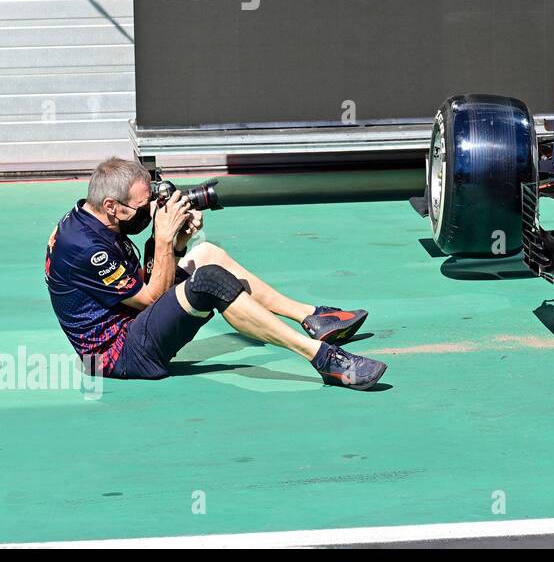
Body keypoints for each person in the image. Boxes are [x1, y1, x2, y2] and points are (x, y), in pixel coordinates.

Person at [45, 157, 387, 389]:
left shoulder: (92, 218)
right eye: (142, 204)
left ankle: (311, 318)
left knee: (208, 253)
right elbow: (150, 299)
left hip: (133, 324)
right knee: (208, 280)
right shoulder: (88, 248)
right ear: (111, 206)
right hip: (123, 355)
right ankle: (321, 357)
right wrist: (163, 239)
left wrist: (176, 243)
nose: (150, 210)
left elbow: (146, 284)